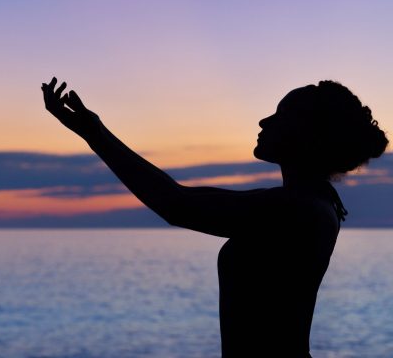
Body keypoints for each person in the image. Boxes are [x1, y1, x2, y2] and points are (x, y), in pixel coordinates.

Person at [41, 78, 388, 357]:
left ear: (309, 135)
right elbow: (182, 195)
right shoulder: (305, 202)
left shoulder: (297, 209)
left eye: (281, 115)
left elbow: (174, 204)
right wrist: (96, 132)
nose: (264, 121)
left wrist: (95, 135)